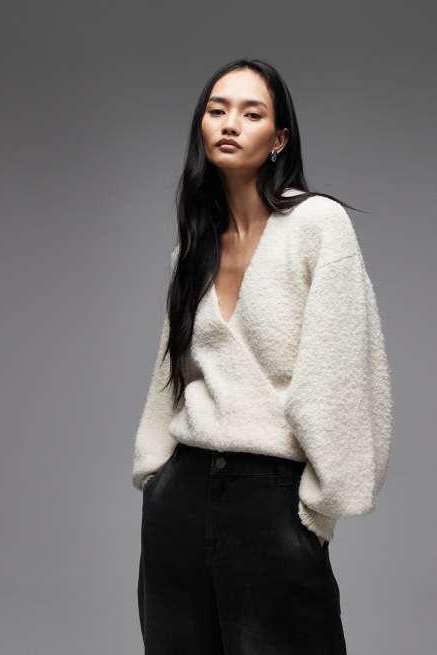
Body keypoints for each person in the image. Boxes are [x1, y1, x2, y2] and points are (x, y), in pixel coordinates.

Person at [131, 58, 393, 655]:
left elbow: (341, 373)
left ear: (279, 139)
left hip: (270, 499)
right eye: (217, 109)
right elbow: (169, 376)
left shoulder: (317, 225)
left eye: (252, 114)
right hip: (181, 499)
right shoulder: (193, 246)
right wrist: (155, 473)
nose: (230, 123)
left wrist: (319, 512)